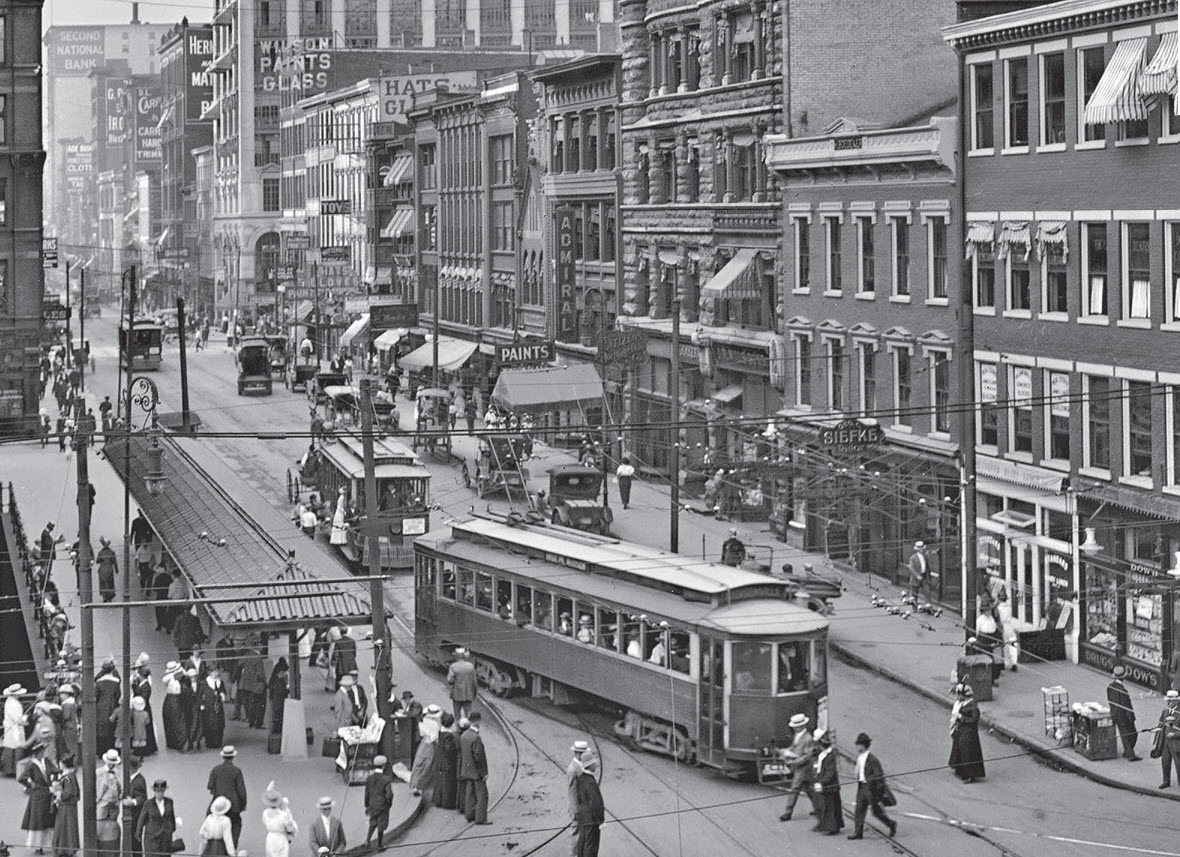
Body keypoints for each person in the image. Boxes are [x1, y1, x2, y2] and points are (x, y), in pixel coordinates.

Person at [847, 733, 896, 839]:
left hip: (871, 789)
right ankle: (858, 832)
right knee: (859, 810)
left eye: (858, 745)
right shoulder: (860, 758)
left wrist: (870, 782)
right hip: (861, 788)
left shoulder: (872, 759)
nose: (857, 747)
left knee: (876, 812)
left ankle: (891, 823)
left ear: (863, 746)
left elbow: (878, 774)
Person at [778, 713, 817, 821]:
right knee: (809, 789)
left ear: (802, 726)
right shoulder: (798, 735)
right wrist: (787, 751)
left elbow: (807, 756)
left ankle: (788, 812)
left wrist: (794, 762)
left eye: (796, 726)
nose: (794, 728)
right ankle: (818, 807)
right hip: (803, 767)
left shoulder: (808, 738)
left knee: (795, 788)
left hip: (804, 768)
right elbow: (794, 746)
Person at [20, 742, 57, 853]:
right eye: (41, 751)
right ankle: (37, 847)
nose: (43, 753)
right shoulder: (31, 764)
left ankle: (47, 844)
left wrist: (56, 780)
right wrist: (30, 785)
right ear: (37, 753)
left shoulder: (46, 762)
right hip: (37, 796)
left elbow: (56, 771)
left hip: (47, 794)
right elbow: (21, 778)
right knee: (38, 821)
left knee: (48, 821)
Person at [207, 745, 247, 845]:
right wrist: (242, 804)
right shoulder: (237, 771)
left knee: (210, 818)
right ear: (233, 757)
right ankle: (232, 845)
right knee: (236, 824)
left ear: (223, 757)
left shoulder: (216, 769)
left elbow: (210, 785)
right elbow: (241, 791)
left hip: (218, 801)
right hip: (233, 805)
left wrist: (217, 792)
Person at [949, 683, 985, 783]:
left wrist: (962, 718)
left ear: (964, 695)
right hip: (962, 730)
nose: (957, 696)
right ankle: (960, 770)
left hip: (969, 732)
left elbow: (974, 719)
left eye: (959, 694)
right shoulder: (963, 703)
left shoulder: (973, 706)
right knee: (960, 749)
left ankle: (970, 775)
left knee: (967, 753)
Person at [460, 711, 490, 824]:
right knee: (482, 794)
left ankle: (469, 815)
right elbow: (478, 757)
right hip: (476, 772)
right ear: (478, 722)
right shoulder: (476, 738)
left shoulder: (464, 735)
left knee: (470, 793)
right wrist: (484, 773)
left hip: (467, 770)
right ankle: (480, 818)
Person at [573, 751, 605, 857]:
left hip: (583, 816)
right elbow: (596, 803)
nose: (595, 765)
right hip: (592, 819)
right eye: (593, 764)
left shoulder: (581, 778)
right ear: (590, 766)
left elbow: (579, 797)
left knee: (582, 842)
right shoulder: (591, 782)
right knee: (591, 846)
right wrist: (600, 820)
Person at [1107, 665, 1141, 762]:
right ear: (1123, 677)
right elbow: (1127, 706)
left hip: (1115, 713)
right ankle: (1130, 754)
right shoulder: (1123, 690)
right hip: (1124, 716)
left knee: (1124, 734)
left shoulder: (1110, 687)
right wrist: (1131, 717)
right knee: (1132, 734)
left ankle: (1128, 752)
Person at [136, 779, 179, 857]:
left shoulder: (169, 802)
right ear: (154, 791)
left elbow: (172, 818)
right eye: (158, 791)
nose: (160, 793)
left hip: (165, 839)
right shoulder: (148, 804)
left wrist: (171, 829)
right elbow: (141, 820)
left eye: (162, 791)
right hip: (152, 839)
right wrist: (138, 834)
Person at [811, 730, 842, 835]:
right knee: (829, 805)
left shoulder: (830, 756)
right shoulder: (823, 754)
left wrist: (821, 782)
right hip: (825, 783)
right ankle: (830, 825)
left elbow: (830, 772)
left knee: (830, 806)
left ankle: (833, 827)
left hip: (830, 785)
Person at [411, 704, 442, 796]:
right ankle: (422, 786)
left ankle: (415, 785)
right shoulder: (434, 724)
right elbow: (435, 738)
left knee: (419, 764)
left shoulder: (422, 721)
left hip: (423, 744)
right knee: (428, 765)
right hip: (431, 745)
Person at [52, 754, 80, 857]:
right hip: (69, 806)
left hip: (66, 806)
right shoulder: (70, 775)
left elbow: (68, 792)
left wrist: (57, 793)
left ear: (63, 764)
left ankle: (64, 850)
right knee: (68, 827)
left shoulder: (68, 777)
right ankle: (68, 849)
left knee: (64, 827)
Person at [363, 755, 394, 848]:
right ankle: (379, 845)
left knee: (372, 822)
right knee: (381, 824)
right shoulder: (386, 779)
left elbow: (367, 793)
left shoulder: (370, 778)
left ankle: (367, 840)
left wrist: (367, 805)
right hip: (382, 805)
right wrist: (389, 803)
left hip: (372, 804)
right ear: (383, 766)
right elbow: (389, 794)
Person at [95, 750, 122, 856]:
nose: (111, 765)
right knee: (100, 826)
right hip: (102, 804)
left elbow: (120, 787)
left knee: (112, 826)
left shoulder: (117, 772)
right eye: (110, 763)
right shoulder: (99, 772)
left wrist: (119, 797)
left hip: (114, 804)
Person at [132, 654, 159, 756]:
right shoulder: (142, 684)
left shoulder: (146, 686)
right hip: (141, 707)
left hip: (144, 709)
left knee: (145, 728)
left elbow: (143, 698)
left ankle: (147, 747)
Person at [261, 783, 298, 857]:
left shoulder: (265, 813)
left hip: (270, 838)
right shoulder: (283, 815)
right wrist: (292, 833)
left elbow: (264, 822)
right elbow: (290, 828)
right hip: (281, 838)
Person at [566, 741, 589, 857]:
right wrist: (575, 810)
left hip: (583, 806)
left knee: (581, 833)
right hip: (577, 808)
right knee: (575, 833)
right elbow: (572, 791)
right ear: (578, 753)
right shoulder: (572, 769)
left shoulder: (581, 766)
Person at [433, 712, 460, 810]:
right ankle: (447, 802)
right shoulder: (449, 735)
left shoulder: (441, 732)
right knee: (448, 783)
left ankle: (438, 800)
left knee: (440, 782)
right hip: (448, 761)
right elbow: (449, 748)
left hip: (440, 759)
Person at [238, 648, 269, 729]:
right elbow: (260, 673)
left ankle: (251, 722)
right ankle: (258, 724)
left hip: (245, 685)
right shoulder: (258, 658)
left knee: (250, 705)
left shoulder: (246, 656)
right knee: (260, 705)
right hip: (257, 685)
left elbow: (239, 663)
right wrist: (264, 681)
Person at [198, 667, 228, 748]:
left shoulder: (220, 682)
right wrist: (201, 704)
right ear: (209, 673)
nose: (215, 674)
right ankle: (210, 742)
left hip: (218, 706)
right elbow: (200, 695)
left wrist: (222, 695)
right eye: (213, 672)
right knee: (209, 723)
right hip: (208, 706)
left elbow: (223, 691)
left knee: (219, 723)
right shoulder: (204, 683)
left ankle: (218, 741)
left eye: (216, 672)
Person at [1156, 689, 1180, 787]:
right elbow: (1160, 724)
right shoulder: (1165, 711)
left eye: (1170, 701)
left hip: (1176, 743)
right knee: (1165, 762)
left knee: (1178, 764)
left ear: (1176, 701)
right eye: (1167, 701)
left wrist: (1174, 735)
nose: (1168, 703)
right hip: (1165, 742)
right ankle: (1166, 781)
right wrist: (1157, 729)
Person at [447, 648, 477, 723]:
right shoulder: (471, 666)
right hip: (468, 695)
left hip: (457, 695)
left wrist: (456, 680)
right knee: (468, 715)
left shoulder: (453, 666)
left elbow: (449, 680)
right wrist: (474, 693)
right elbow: (474, 682)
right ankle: (468, 727)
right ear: (464, 656)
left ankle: (459, 728)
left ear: (456, 656)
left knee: (457, 716)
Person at [1, 682, 25, 777]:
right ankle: (15, 770)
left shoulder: (9, 701)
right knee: (16, 749)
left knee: (10, 748)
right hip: (15, 730)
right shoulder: (14, 704)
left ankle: (9, 770)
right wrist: (24, 720)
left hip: (11, 729)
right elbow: (17, 719)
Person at [161, 663, 186, 750]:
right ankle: (176, 742)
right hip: (173, 699)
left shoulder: (177, 676)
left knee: (175, 720)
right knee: (174, 720)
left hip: (175, 699)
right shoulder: (170, 678)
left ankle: (178, 741)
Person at [268, 659, 289, 736]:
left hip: (276, 701)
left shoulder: (275, 679)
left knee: (276, 718)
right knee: (279, 717)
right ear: (281, 672)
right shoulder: (279, 681)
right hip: (279, 702)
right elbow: (282, 691)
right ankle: (277, 732)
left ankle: (276, 732)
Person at [96, 538, 118, 603]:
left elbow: (97, 561)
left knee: (103, 583)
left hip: (102, 569)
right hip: (109, 569)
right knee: (110, 583)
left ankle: (105, 597)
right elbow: (114, 561)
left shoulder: (100, 552)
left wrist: (102, 560)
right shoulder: (112, 552)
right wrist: (116, 569)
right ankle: (110, 597)